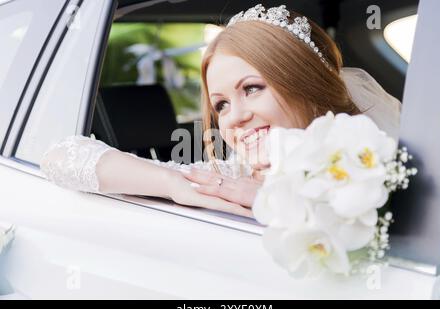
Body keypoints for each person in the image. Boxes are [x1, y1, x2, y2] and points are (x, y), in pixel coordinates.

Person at [40, 4, 401, 217]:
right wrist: (173, 185)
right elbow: (62, 157)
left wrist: (276, 205)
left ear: (307, 85)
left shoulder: (375, 171)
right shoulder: (227, 180)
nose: (235, 117)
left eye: (252, 89)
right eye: (221, 105)